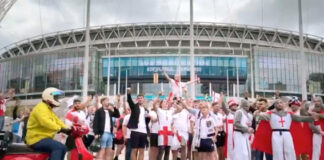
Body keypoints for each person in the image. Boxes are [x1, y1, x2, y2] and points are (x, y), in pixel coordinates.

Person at [26, 87, 71, 160]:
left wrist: (68, 128)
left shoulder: (48, 109)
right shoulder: (40, 108)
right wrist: (60, 129)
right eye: (55, 97)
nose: (57, 99)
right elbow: (46, 122)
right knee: (58, 147)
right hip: (36, 139)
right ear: (49, 98)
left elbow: (57, 121)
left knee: (64, 148)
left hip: (44, 139)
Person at [127, 88, 150, 160]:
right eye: (138, 98)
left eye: (141, 98)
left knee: (142, 150)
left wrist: (148, 117)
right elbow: (129, 101)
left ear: (144, 99)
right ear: (137, 99)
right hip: (135, 131)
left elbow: (147, 121)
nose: (140, 99)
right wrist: (129, 93)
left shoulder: (146, 110)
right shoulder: (134, 107)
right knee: (134, 150)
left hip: (144, 132)